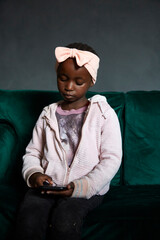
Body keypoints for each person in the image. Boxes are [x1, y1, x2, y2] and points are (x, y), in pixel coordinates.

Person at [15, 42, 122, 240]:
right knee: (29, 218)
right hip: (47, 186)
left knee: (65, 220)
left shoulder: (104, 114)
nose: (69, 87)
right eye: (63, 79)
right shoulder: (47, 114)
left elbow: (111, 159)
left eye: (78, 81)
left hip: (85, 188)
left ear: (91, 81)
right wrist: (35, 174)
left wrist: (82, 186)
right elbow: (33, 152)